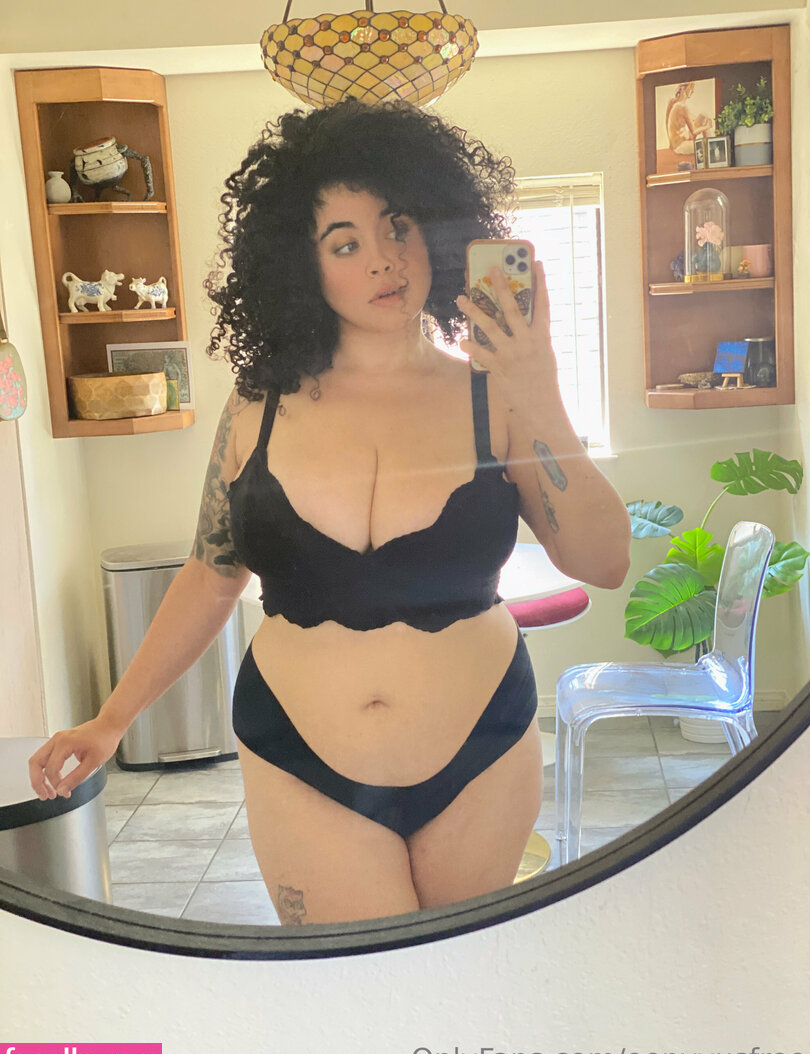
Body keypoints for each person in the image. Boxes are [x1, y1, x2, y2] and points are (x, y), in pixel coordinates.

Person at [29, 101, 631, 925]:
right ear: (299, 266)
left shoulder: (498, 399)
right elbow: (210, 576)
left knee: (463, 980)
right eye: (345, 243)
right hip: (298, 756)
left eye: (399, 226)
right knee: (353, 990)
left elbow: (604, 562)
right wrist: (112, 719)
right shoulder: (255, 409)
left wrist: (539, 385)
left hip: (482, 747)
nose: (385, 258)